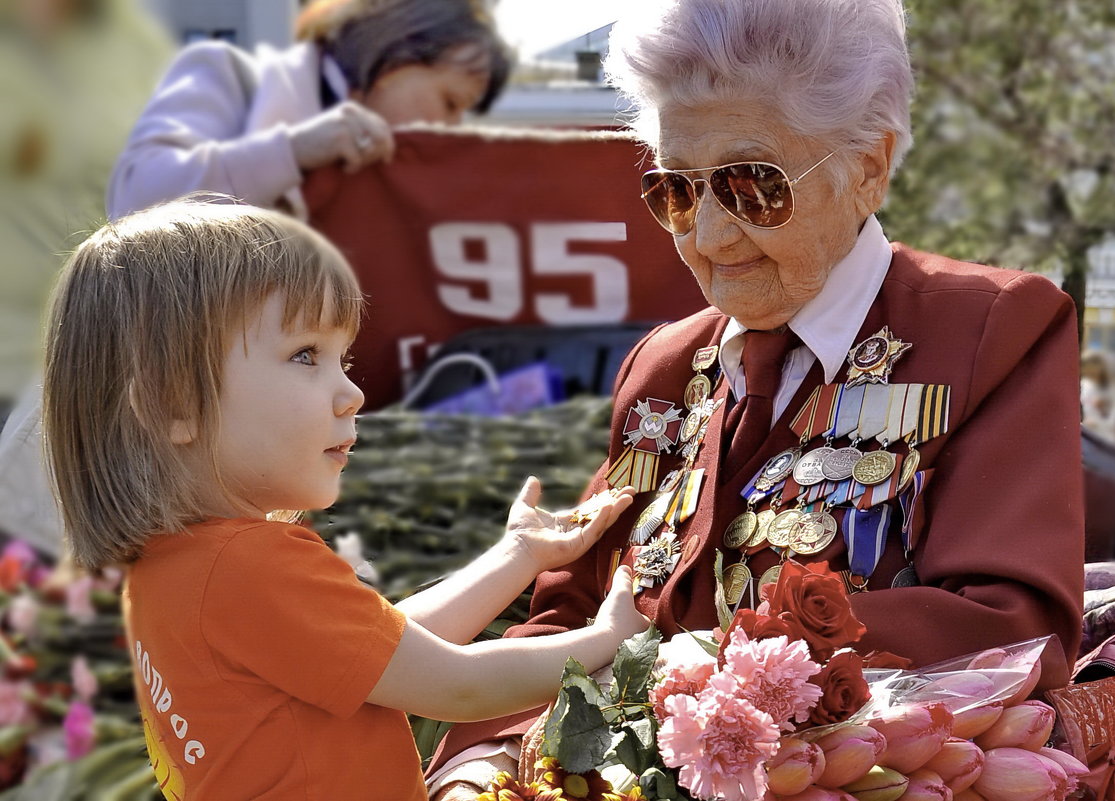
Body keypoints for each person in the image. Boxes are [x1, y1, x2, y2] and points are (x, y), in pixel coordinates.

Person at [428, 0, 1085, 795]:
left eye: (750, 186)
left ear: (867, 169)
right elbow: (565, 628)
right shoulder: (663, 366)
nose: (705, 235)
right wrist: (476, 765)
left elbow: (1010, 625)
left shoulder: (987, 329)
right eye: (673, 189)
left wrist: (702, 661)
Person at [40, 198, 648, 799]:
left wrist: (517, 555)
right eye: (305, 355)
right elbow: (456, 686)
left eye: (343, 358)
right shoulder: (248, 563)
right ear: (174, 404)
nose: (352, 392)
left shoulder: (174, 565)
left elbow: (380, 650)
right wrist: (607, 641)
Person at [106, 0, 511, 221]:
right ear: (395, 59)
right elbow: (135, 199)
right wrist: (292, 152)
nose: (452, 127)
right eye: (450, 103)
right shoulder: (228, 75)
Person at [1081, 348, 1115, 443]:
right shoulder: (1084, 384)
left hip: (1105, 435)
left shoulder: (1110, 387)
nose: (1090, 371)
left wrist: (1105, 406)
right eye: (1086, 367)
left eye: (1092, 368)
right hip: (1087, 432)